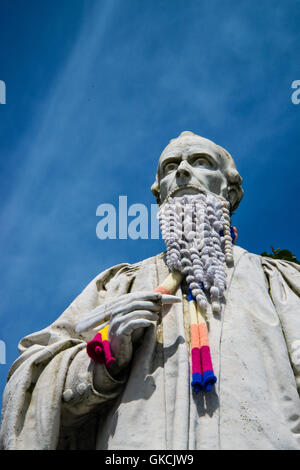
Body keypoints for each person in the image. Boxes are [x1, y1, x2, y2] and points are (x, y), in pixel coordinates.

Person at [1, 131, 300, 450]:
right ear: (160, 195)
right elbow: (33, 378)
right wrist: (107, 357)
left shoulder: (280, 281)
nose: (183, 171)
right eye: (171, 167)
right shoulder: (117, 285)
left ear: (230, 190)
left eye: (201, 162)